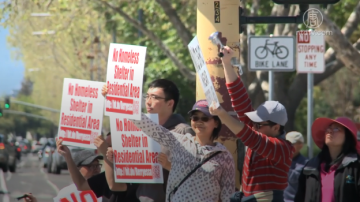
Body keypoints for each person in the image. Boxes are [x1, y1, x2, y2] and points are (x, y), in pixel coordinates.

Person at [209, 46, 294, 202]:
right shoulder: (260, 129)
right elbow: (240, 101)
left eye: (259, 124)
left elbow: (250, 137)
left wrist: (222, 114)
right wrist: (226, 62)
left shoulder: (283, 148)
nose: (254, 125)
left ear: (276, 128)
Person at [102, 79, 194, 202]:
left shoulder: (183, 131)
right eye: (147, 97)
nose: (148, 102)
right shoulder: (138, 129)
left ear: (170, 103)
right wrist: (117, 158)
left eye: (155, 97)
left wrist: (167, 165)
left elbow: (191, 173)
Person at [127, 99, 235, 202]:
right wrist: (121, 101)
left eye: (205, 118)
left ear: (216, 123)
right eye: (195, 118)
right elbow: (148, 126)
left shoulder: (224, 156)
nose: (199, 122)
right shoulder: (179, 142)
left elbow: (228, 196)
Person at [57, 134, 138, 202]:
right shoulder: (104, 177)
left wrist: (105, 152)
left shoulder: (132, 173)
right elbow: (81, 185)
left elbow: (113, 185)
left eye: (109, 146)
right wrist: (67, 156)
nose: (105, 148)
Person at [294, 117, 360, 202]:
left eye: (336, 128)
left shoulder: (356, 165)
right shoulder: (311, 167)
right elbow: (300, 197)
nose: (330, 131)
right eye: (328, 128)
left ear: (348, 136)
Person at [283, 131, 308, 202]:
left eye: (291, 144)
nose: (287, 146)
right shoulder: (280, 159)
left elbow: (293, 178)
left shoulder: (306, 163)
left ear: (300, 145)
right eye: (285, 143)